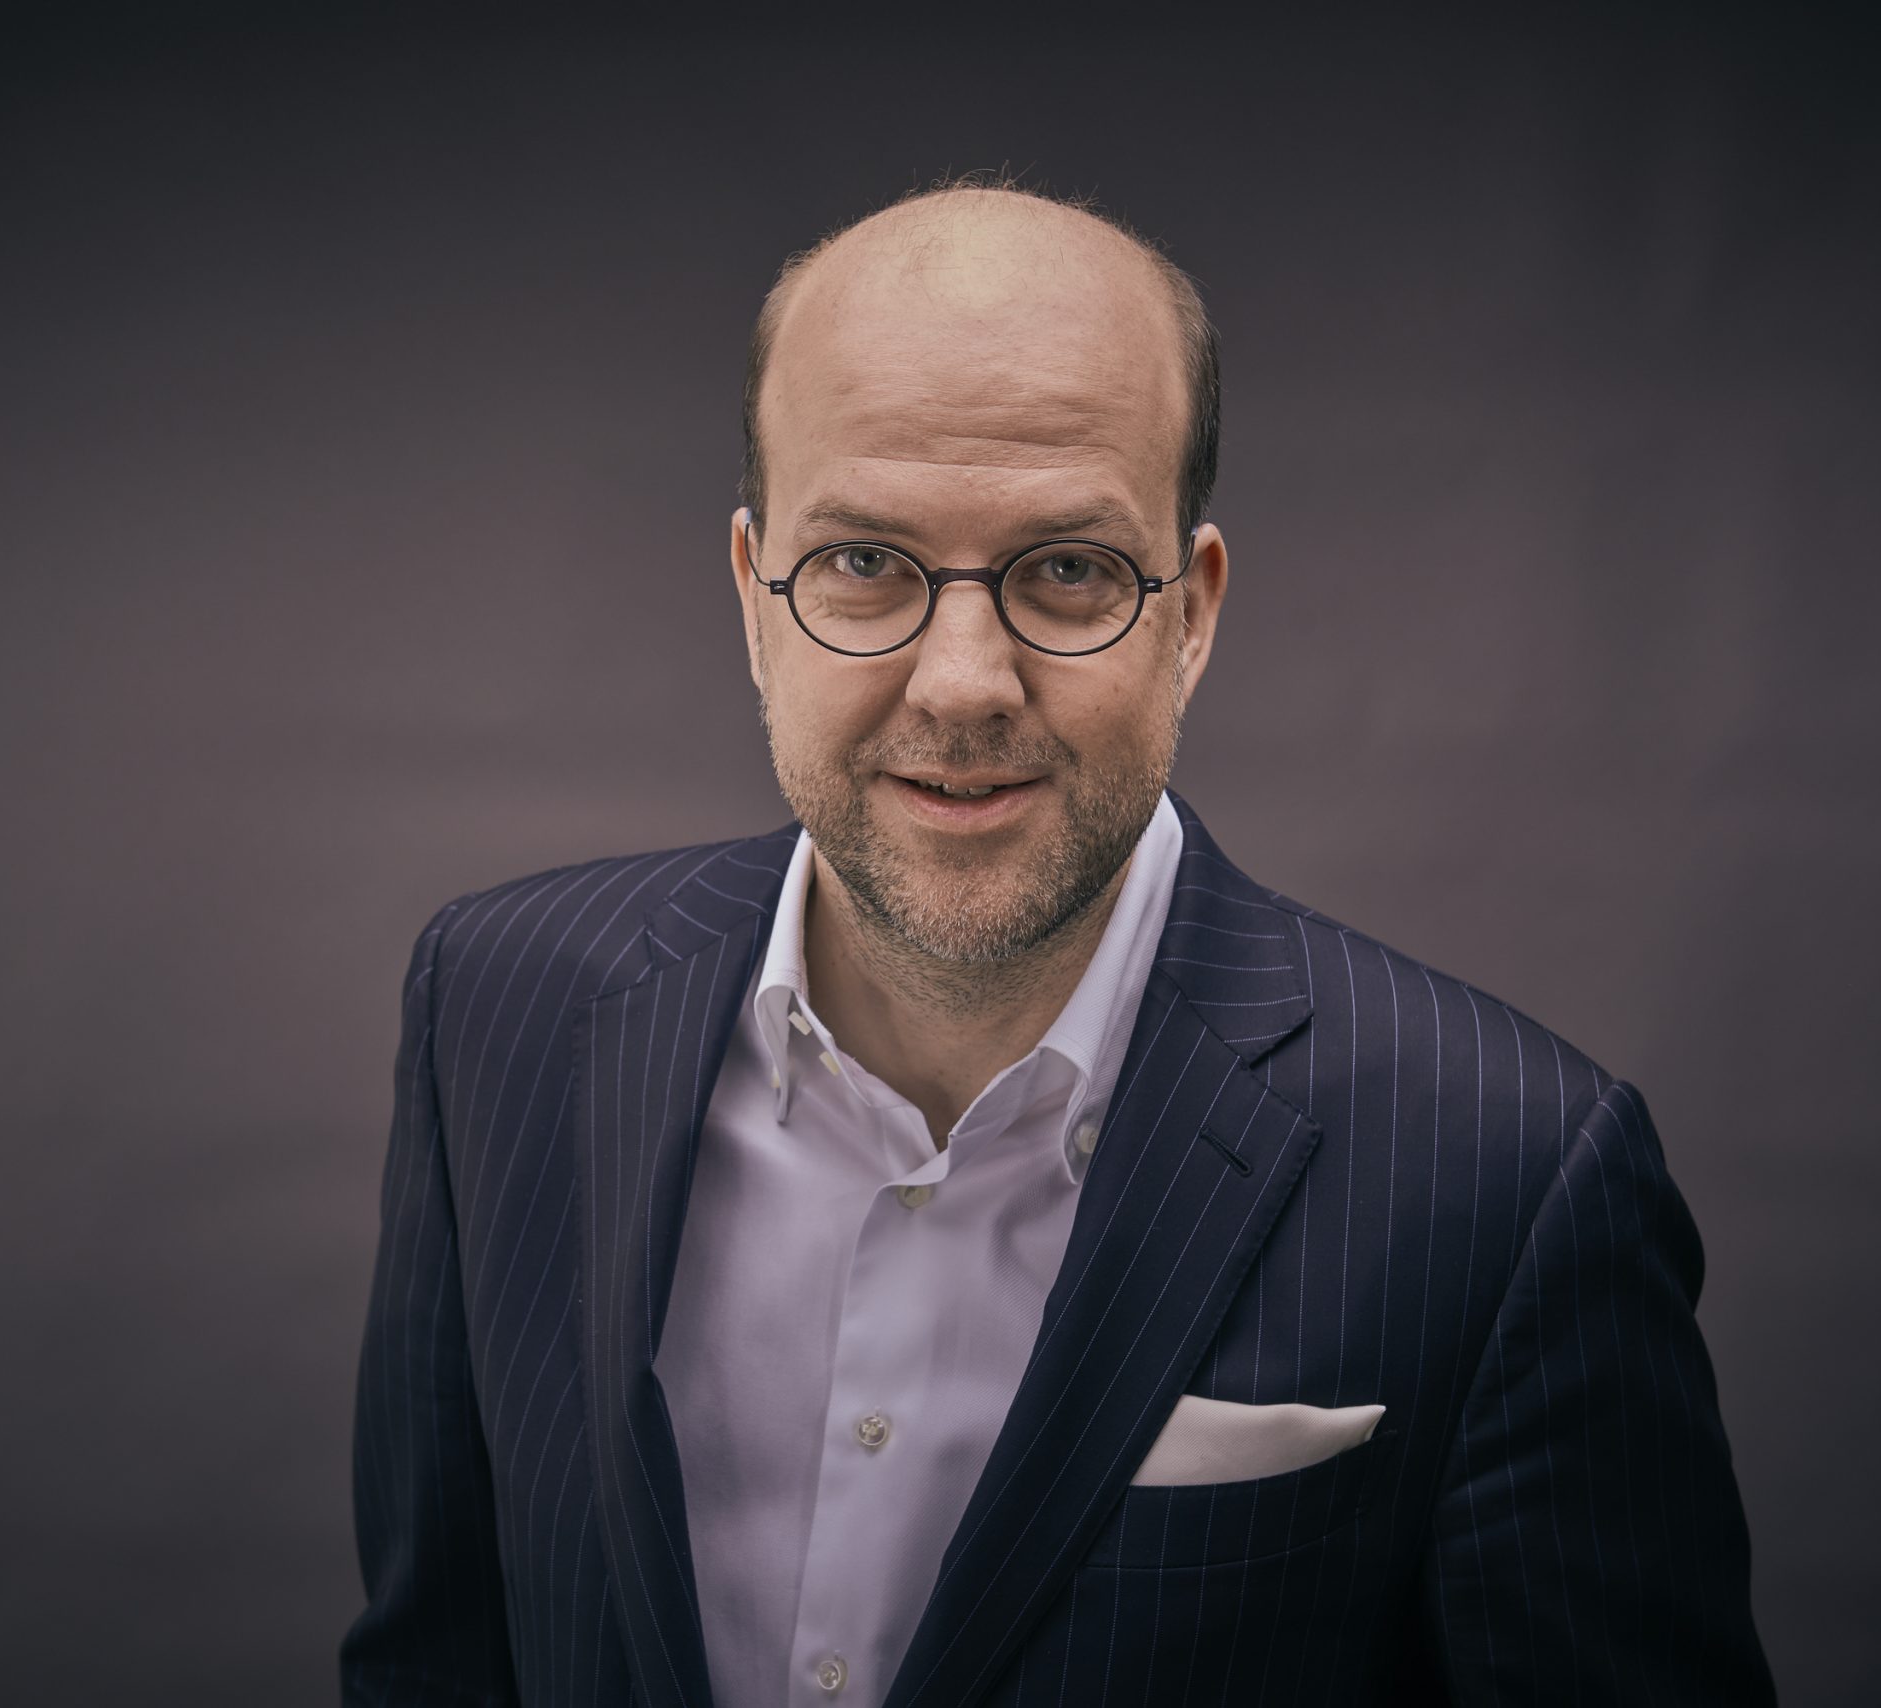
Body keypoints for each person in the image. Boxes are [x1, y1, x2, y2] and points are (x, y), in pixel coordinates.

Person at [341, 178, 1773, 1706]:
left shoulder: (1513, 1173)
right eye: (865, 562)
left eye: (1071, 569)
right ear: (755, 599)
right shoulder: (495, 1013)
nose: (963, 683)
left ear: (1191, 615)